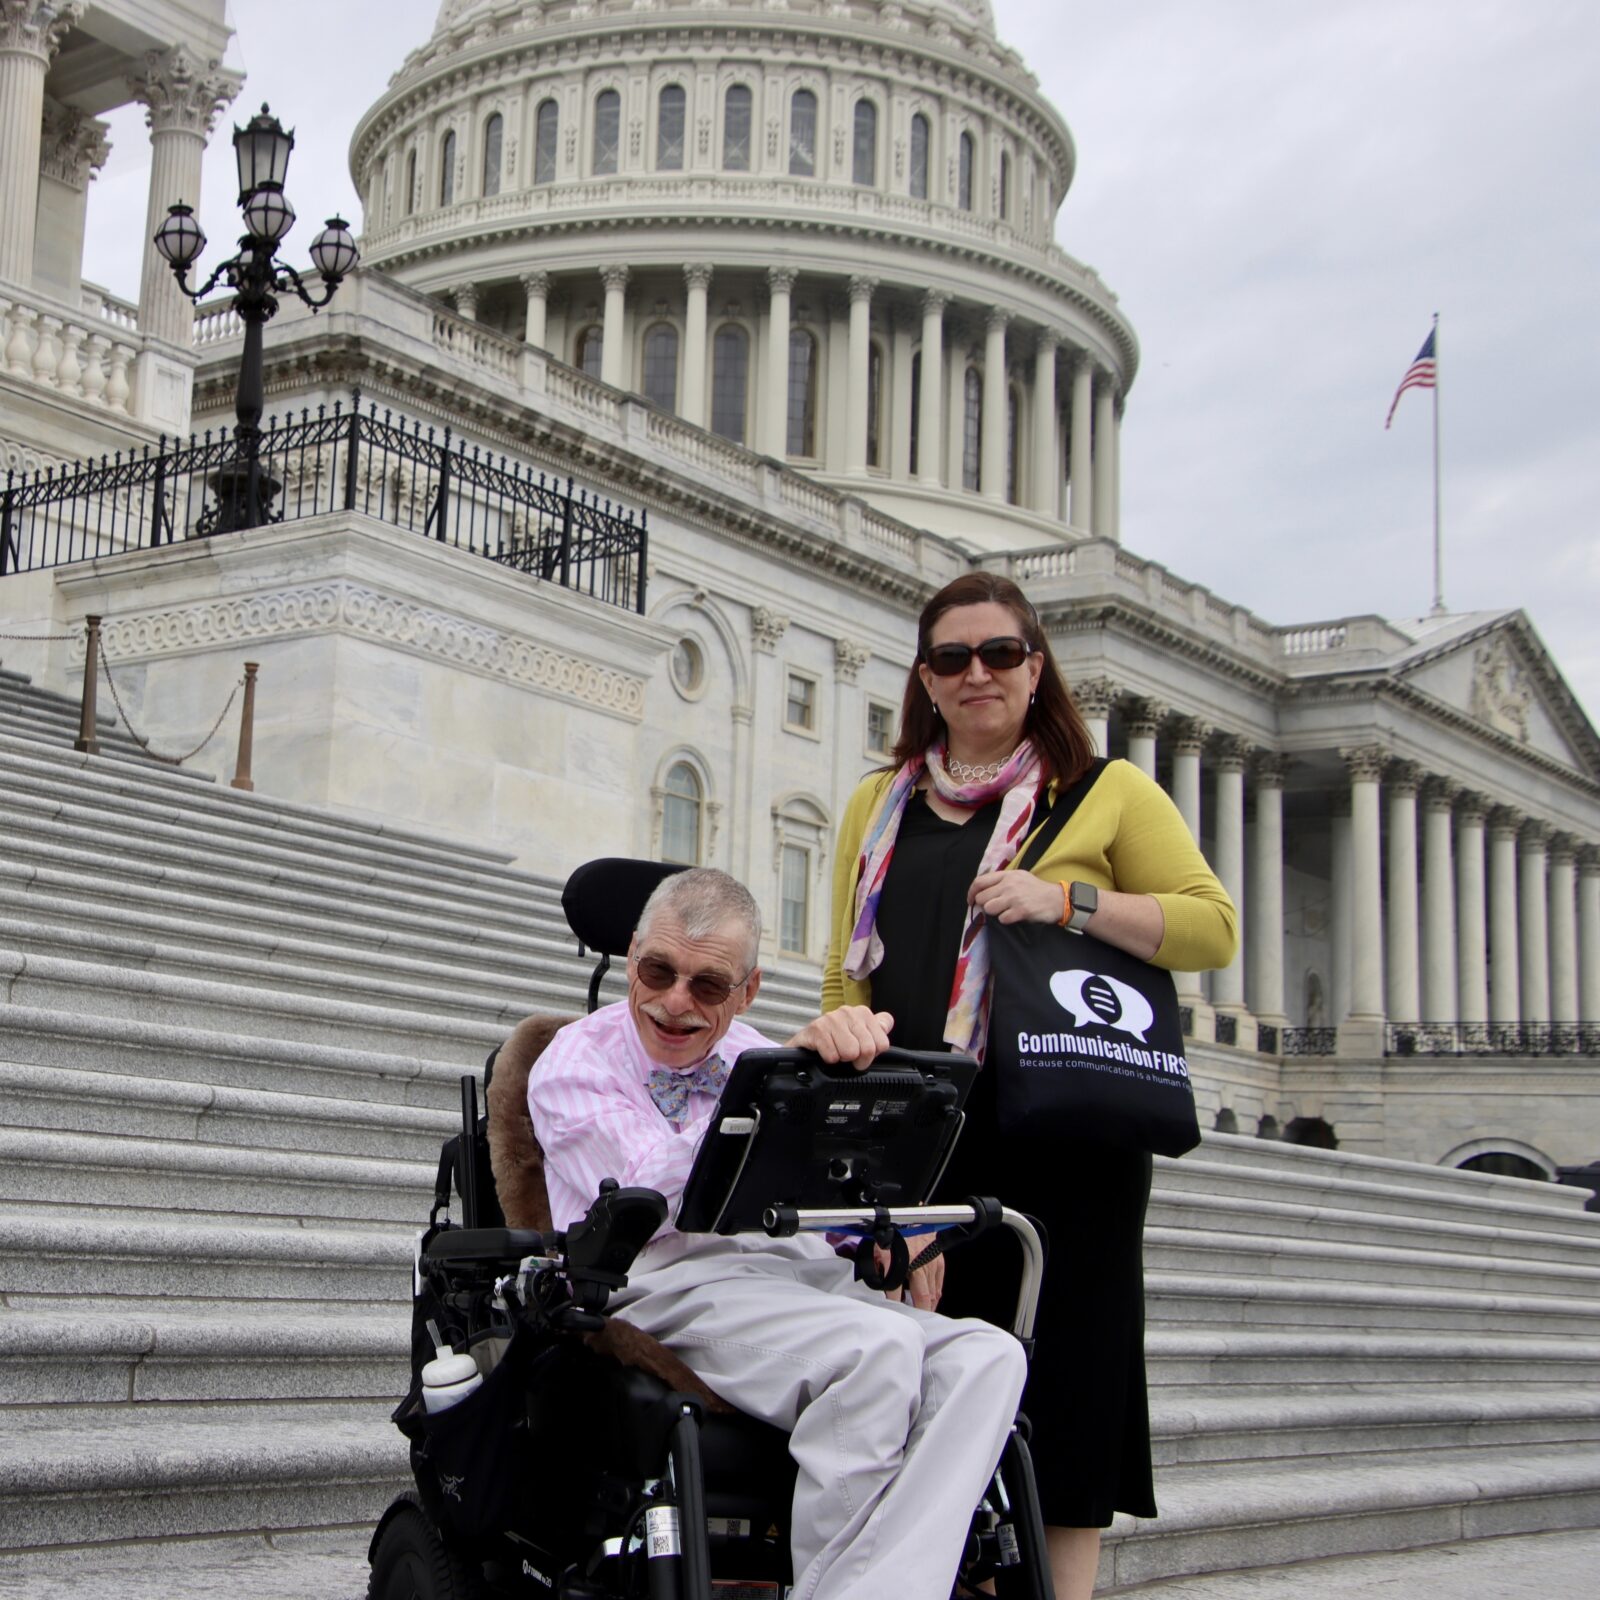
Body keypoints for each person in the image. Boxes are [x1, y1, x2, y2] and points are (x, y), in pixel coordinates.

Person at [823, 572, 1237, 1600]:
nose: (977, 674)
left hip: (1066, 1136)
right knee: (913, 1376)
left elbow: (1207, 923)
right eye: (952, 658)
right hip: (927, 1128)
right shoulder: (878, 802)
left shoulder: (1104, 792)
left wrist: (1064, 898)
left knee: (1066, 1387)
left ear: (1036, 664)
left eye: (1000, 653)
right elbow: (846, 967)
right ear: (924, 677)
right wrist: (847, 1028)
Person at [529, 865, 1027, 1600]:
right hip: (657, 1282)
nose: (674, 1002)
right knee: (878, 1351)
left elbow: (826, 1188)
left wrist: (878, 1232)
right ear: (633, 959)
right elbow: (646, 1192)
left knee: (991, 1356)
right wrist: (772, 1086)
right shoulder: (571, 1059)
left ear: (748, 990)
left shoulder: (757, 1055)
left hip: (791, 1285)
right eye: (658, 971)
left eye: (707, 986)